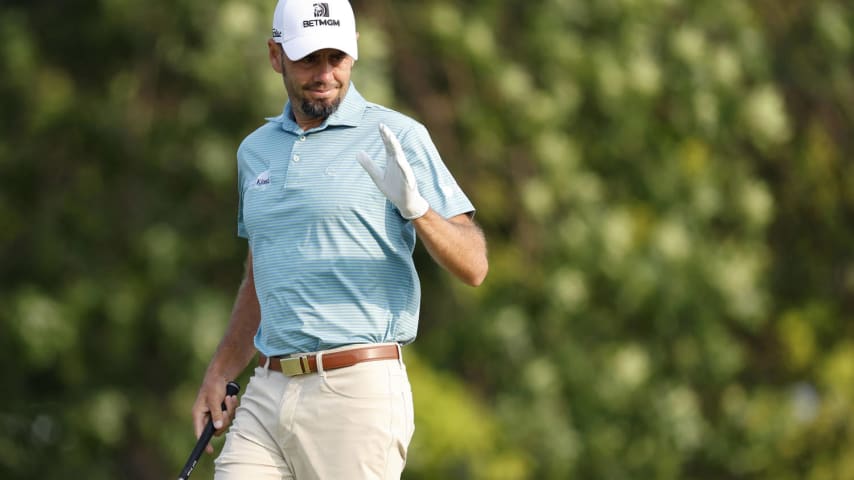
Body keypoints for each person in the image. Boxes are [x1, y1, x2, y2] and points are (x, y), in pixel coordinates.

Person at [190, 0, 488, 478]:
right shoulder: (255, 152)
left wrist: (419, 211)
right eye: (309, 59)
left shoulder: (398, 136)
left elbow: (474, 263)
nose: (325, 73)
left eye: (337, 58)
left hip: (355, 392)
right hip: (268, 390)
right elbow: (261, 274)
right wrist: (222, 369)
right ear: (275, 55)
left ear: (354, 55)